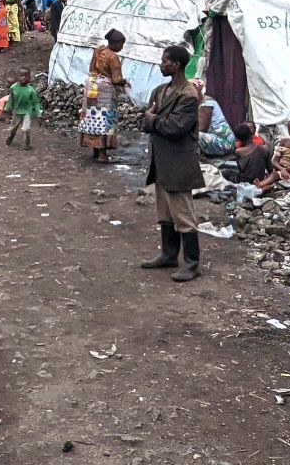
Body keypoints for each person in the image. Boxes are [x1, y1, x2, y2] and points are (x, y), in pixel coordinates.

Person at [139, 44, 206, 282]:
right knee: (165, 211)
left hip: (178, 161)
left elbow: (176, 127)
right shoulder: (160, 91)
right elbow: (147, 122)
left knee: (183, 213)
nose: (161, 64)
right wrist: (155, 120)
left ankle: (192, 262)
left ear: (176, 65)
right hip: (162, 159)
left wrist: (154, 119)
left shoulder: (188, 95)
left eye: (165, 61)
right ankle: (169, 254)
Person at [78, 29, 129, 160]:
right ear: (116, 43)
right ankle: (102, 153)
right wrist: (125, 82)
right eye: (121, 44)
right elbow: (117, 79)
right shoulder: (113, 57)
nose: (122, 47)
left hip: (92, 87)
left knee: (92, 117)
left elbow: (91, 69)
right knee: (105, 119)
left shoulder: (98, 50)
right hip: (105, 90)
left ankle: (95, 149)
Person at [1, 72, 42, 149]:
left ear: (29, 78)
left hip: (27, 111)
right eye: (21, 76)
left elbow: (36, 103)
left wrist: (39, 115)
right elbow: (11, 99)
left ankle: (26, 143)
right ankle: (11, 136)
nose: (23, 77)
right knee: (13, 128)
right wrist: (7, 108)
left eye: (26, 76)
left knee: (26, 128)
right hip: (17, 111)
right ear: (18, 77)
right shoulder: (13, 88)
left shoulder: (31, 90)